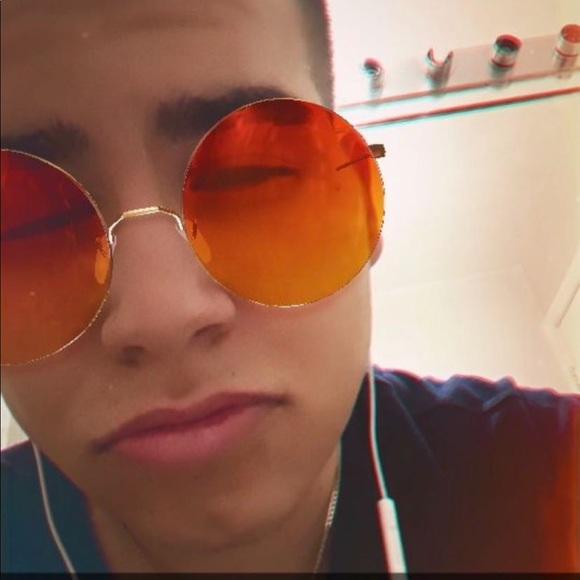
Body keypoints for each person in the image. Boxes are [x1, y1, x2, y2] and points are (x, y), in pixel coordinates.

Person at [0, 0, 578, 574]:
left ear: (365, 213)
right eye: (24, 227)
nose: (161, 315)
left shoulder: (552, 471)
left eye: (252, 182)